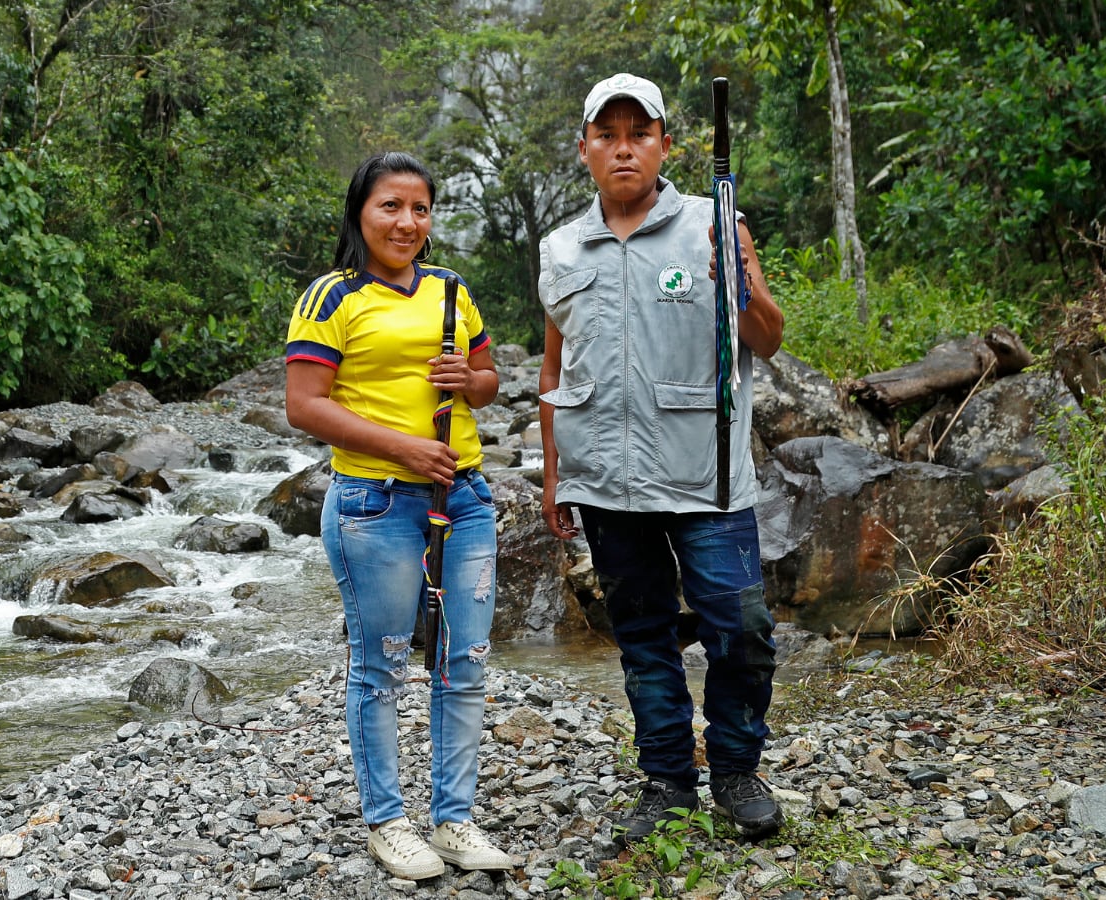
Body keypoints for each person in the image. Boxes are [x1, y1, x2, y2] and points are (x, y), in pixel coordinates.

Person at [536, 73, 787, 846]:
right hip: (606, 481)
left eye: (637, 133)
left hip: (705, 475)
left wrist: (738, 281)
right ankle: (668, 780)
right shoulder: (560, 247)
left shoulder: (715, 223)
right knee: (643, 638)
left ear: (664, 146)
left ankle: (738, 769)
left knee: (740, 629)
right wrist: (555, 475)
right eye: (605, 135)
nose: (622, 148)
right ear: (584, 150)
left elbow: (769, 338)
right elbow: (555, 371)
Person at [284, 151, 516, 880]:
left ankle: (453, 819)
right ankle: (387, 821)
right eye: (391, 206)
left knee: (464, 662)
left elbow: (488, 384)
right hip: (374, 502)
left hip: (465, 498)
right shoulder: (333, 296)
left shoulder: (451, 290)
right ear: (360, 212)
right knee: (379, 666)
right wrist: (405, 450)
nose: (407, 222)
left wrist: (469, 380)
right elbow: (305, 405)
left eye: (420, 209)